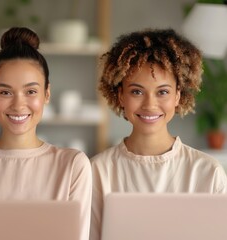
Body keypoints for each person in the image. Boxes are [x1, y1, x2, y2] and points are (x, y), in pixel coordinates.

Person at [0, 27, 92, 240]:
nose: (18, 104)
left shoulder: (72, 166)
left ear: (47, 94)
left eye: (31, 91)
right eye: (5, 92)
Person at [90, 28, 227, 240]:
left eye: (162, 92)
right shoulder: (97, 171)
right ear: (120, 96)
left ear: (177, 96)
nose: (150, 105)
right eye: (137, 91)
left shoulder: (207, 172)